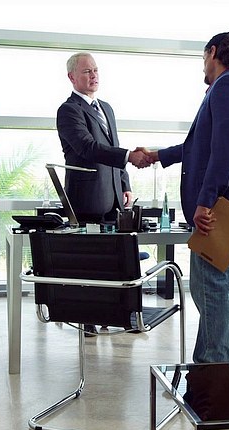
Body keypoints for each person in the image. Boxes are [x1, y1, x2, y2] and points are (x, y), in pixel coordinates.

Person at [139, 31, 229, 363]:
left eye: (203, 57)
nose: (202, 66)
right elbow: (199, 146)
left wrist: (205, 200)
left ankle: (213, 367)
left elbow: (226, 147)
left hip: (222, 207)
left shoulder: (227, 86)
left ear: (213, 52)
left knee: (211, 287)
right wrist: (157, 156)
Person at [56, 52, 148, 336]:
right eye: (87, 71)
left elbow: (113, 145)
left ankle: (113, 315)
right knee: (89, 263)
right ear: (72, 77)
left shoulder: (106, 108)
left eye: (96, 70)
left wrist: (125, 183)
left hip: (113, 198)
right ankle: (89, 319)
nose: (93, 75)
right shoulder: (68, 110)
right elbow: (87, 147)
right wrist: (129, 156)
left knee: (114, 262)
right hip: (86, 199)